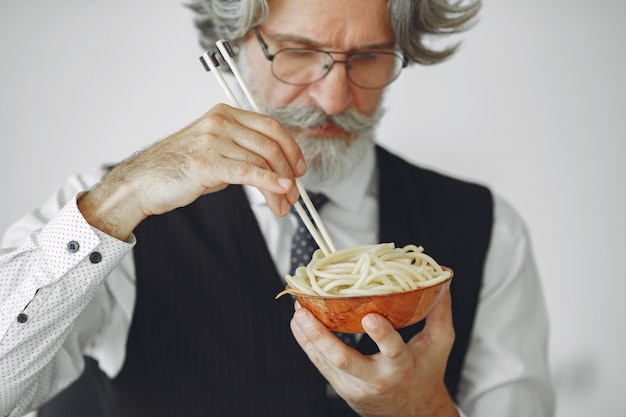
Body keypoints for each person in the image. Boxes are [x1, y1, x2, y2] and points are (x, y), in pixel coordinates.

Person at [0, 0, 555, 416]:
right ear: (233, 44)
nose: (334, 97)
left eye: (369, 57)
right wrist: (121, 197)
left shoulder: (490, 229)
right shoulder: (111, 213)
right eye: (298, 52)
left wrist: (426, 411)